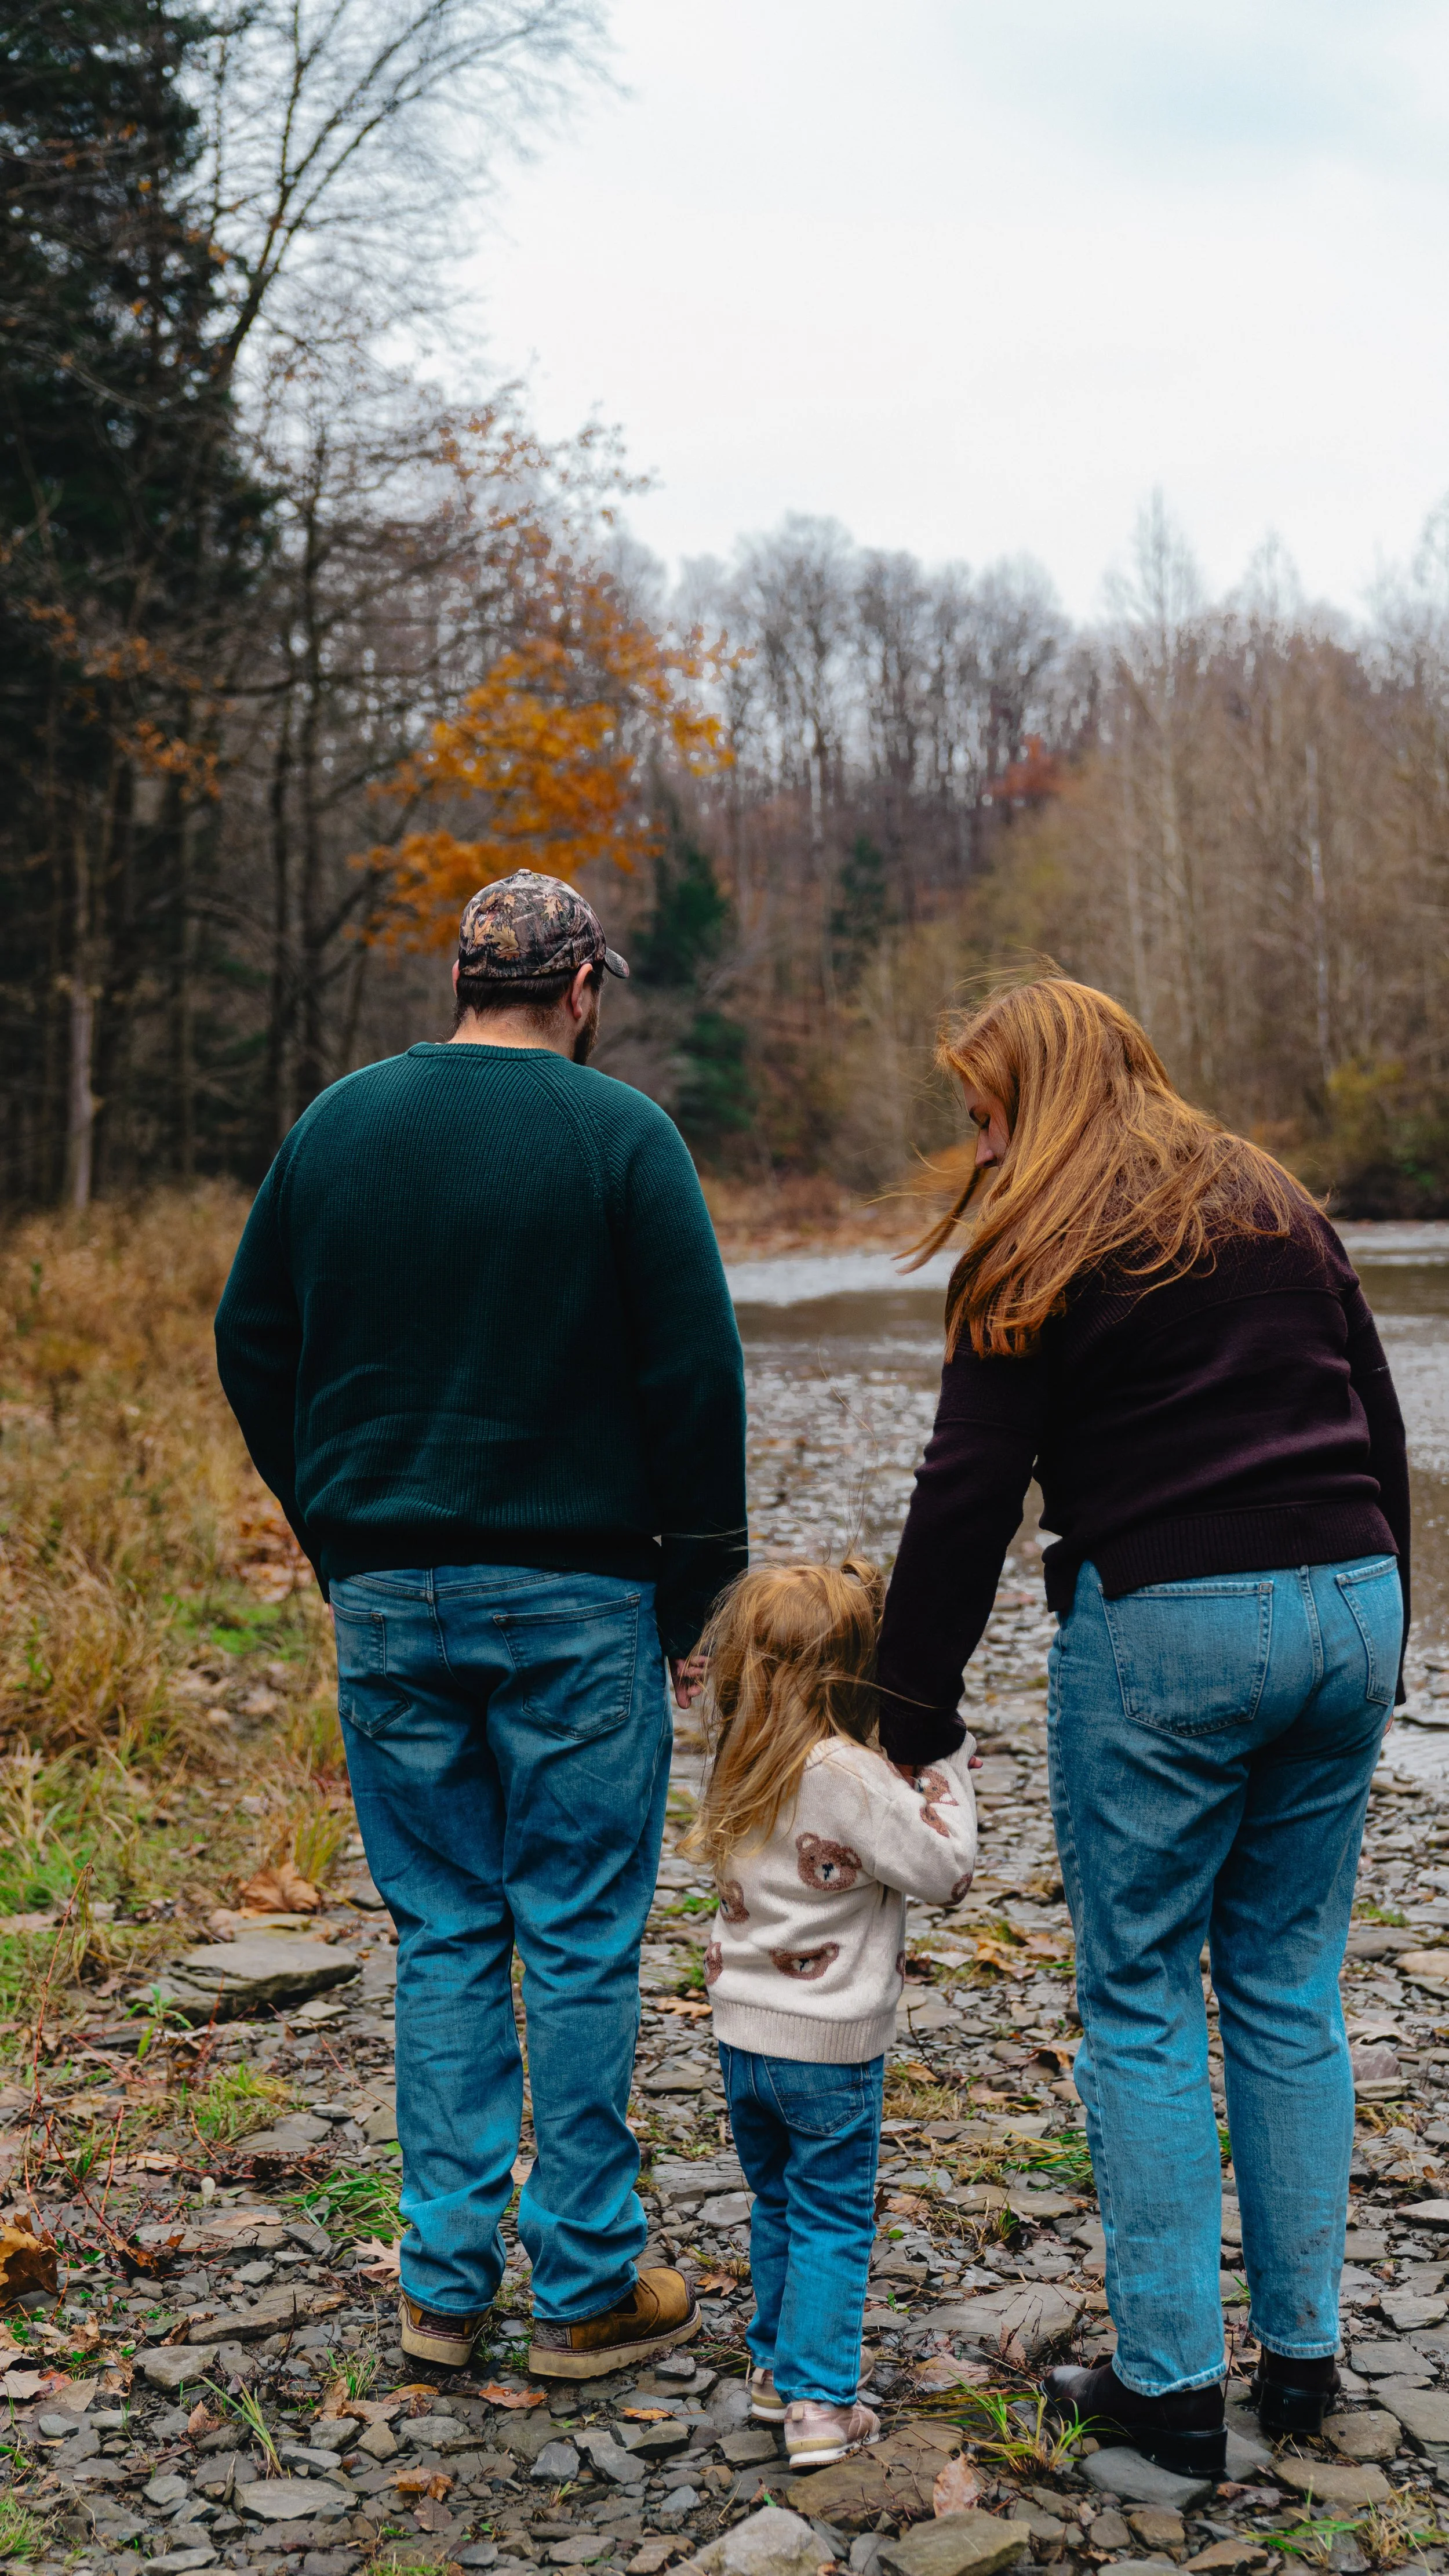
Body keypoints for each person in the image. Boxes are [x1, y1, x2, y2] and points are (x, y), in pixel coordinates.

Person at [214, 869, 748, 2383]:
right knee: (577, 1930)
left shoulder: (339, 1124)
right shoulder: (618, 1134)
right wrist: (699, 1590)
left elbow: (250, 1339)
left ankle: (442, 2288)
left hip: (388, 1592)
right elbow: (694, 1374)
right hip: (579, 1592)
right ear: (582, 991)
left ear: (457, 981)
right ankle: (583, 2286)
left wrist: (339, 1523)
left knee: (446, 1926)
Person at [874, 977, 1410, 2477]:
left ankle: (1172, 2393)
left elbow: (964, 1490)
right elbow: (1375, 1419)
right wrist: (1388, 1639)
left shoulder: (1033, 1236)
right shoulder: (1275, 1195)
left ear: (1031, 1097)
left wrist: (908, 1708)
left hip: (1173, 1625)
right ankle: (1301, 2362)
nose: (974, 1138)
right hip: (1348, 1603)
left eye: (982, 1107)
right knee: (1289, 1990)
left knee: (1140, 1994)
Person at [686, 1558, 978, 2469]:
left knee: (777, 2199)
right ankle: (820, 2402)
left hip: (743, 2035)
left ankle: (776, 2367)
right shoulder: (846, 1772)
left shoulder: (738, 1752)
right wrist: (947, 1769)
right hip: (829, 2045)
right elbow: (945, 1872)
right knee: (833, 2215)